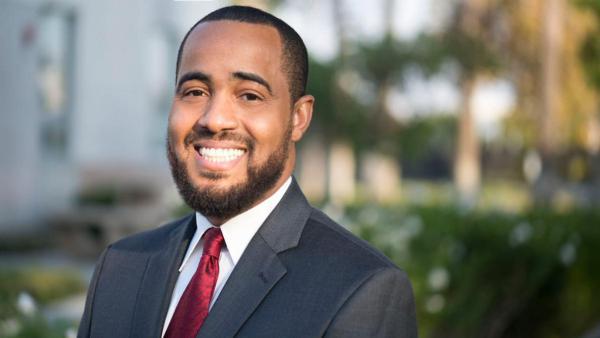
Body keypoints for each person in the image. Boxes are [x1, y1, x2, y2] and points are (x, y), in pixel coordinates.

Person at [77, 5, 417, 338]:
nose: (214, 119)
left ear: (298, 117)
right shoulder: (120, 265)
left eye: (250, 96)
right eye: (195, 92)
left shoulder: (361, 289)